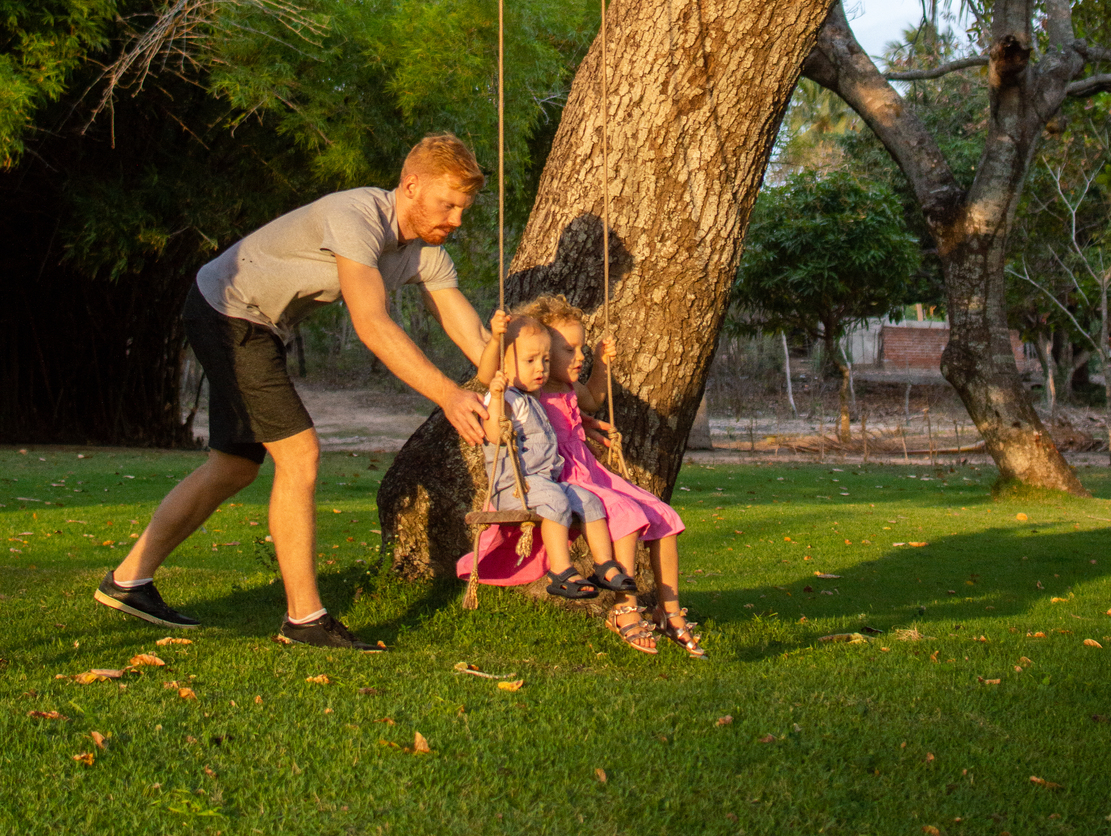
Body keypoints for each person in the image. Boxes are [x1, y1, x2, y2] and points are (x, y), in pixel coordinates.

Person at [96, 132, 492, 649]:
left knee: (233, 467)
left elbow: (472, 334)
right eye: (448, 205)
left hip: (255, 326)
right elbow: (371, 324)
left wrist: (518, 374)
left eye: (463, 209)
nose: (456, 220)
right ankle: (304, 618)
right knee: (300, 454)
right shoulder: (357, 216)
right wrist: (449, 395)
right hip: (228, 312)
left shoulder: (425, 253)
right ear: (412, 186)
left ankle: (128, 581)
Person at [460, 297, 705, 657]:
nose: (578, 357)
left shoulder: (563, 387)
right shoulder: (532, 388)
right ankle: (624, 608)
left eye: (581, 349)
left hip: (590, 470)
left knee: (666, 518)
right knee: (626, 514)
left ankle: (669, 612)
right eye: (568, 349)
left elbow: (592, 399)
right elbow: (491, 377)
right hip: (562, 475)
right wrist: (497, 339)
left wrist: (601, 366)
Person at [476, 314, 636, 601]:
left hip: (543, 482)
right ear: (503, 365)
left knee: (589, 501)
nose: (541, 368)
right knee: (556, 500)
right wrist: (496, 391)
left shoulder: (533, 395)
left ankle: (604, 566)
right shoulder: (505, 398)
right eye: (530, 360)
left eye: (546, 360)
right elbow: (495, 434)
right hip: (513, 487)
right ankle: (560, 572)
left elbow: (583, 400)